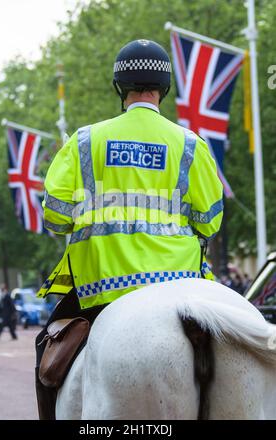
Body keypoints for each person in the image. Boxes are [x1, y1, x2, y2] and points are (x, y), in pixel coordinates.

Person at [35, 39, 224, 419]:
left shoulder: (85, 141)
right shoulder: (191, 144)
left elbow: (54, 215)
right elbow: (210, 220)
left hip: (102, 289)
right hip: (181, 288)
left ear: (120, 88)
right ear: (164, 89)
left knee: (47, 353)